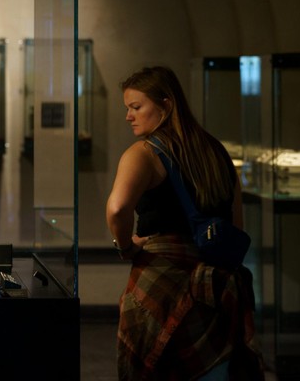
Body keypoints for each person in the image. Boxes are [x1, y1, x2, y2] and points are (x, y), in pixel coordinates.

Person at [106, 66, 264, 380]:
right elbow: (237, 223)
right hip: (216, 283)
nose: (129, 116)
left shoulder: (143, 153)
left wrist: (125, 246)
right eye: (127, 108)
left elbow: (117, 209)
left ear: (166, 104)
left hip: (162, 281)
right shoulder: (217, 152)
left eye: (136, 107)